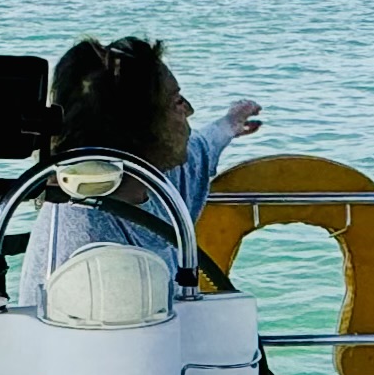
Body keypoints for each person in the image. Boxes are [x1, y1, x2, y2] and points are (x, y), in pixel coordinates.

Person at [23, 35, 262, 292]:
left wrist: (229, 125)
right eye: (177, 102)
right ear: (136, 128)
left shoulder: (154, 179)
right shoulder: (87, 248)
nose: (189, 111)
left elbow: (200, 148)